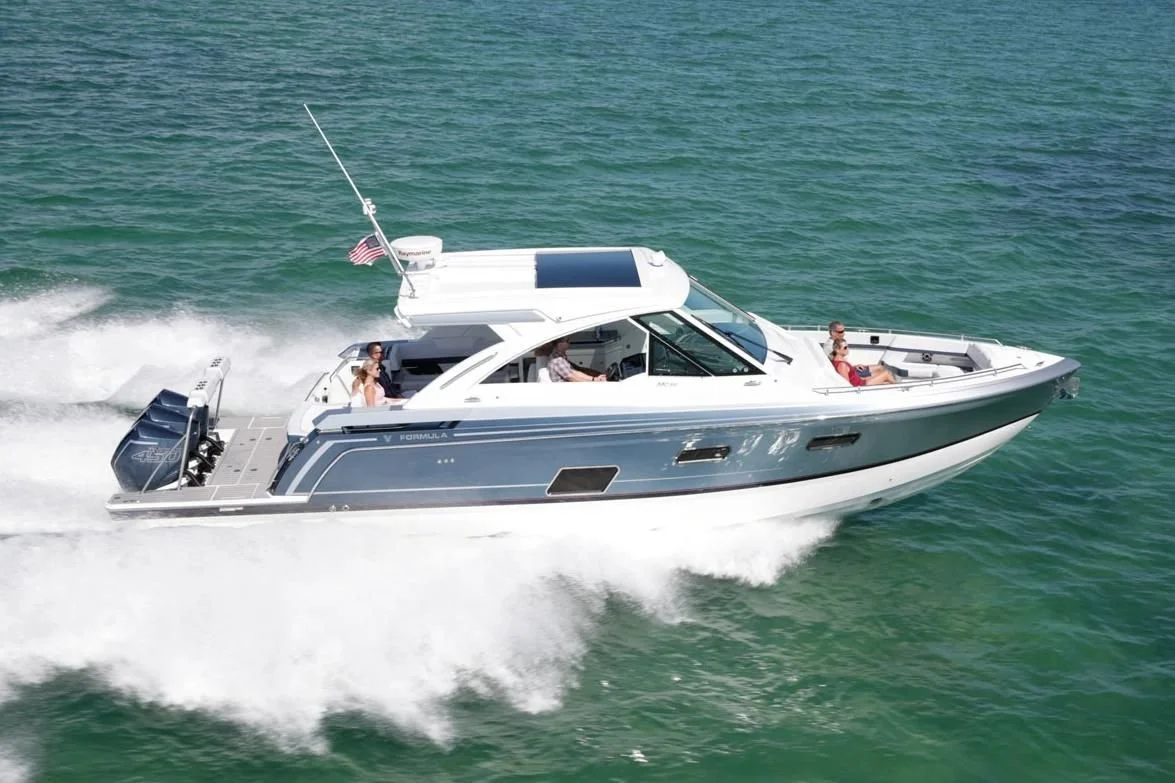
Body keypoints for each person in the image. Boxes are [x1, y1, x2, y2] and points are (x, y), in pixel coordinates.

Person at [830, 339, 895, 386]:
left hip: (860, 380)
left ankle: (896, 387)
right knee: (887, 374)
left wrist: (861, 376)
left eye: (847, 347)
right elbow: (847, 385)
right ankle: (901, 388)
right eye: (845, 347)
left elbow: (850, 374)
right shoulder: (842, 365)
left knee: (884, 379)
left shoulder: (838, 361)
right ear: (837, 350)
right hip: (861, 385)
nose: (848, 349)